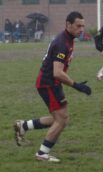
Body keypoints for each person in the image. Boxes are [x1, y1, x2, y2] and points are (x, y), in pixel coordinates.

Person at [13, 11, 91, 162]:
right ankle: (42, 154)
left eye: (83, 26)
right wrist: (77, 86)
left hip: (50, 83)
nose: (81, 29)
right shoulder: (63, 43)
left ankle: (23, 125)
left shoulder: (68, 38)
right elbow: (57, 72)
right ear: (68, 25)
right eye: (78, 26)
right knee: (61, 120)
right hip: (48, 83)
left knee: (61, 118)